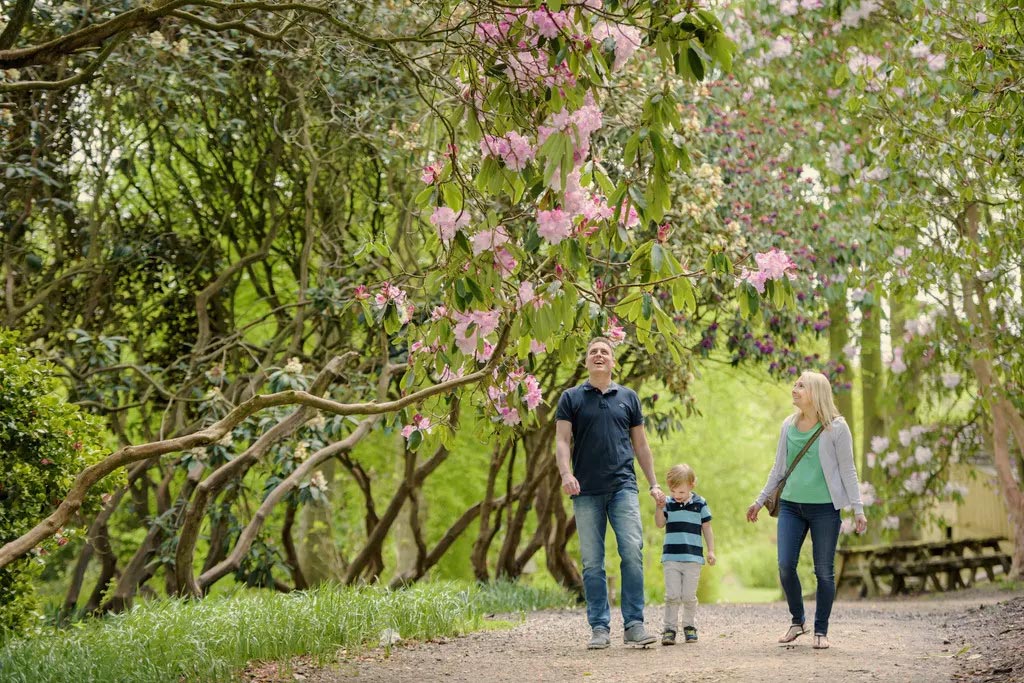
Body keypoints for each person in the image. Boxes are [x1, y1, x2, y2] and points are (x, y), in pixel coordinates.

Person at [556, 336, 665, 650]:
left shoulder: (628, 397)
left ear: (613, 361)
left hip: (623, 487)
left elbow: (641, 445)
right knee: (592, 562)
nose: (599, 355)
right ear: (587, 362)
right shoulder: (571, 397)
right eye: (593, 352)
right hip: (585, 490)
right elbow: (562, 441)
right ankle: (599, 628)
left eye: (604, 351)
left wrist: (653, 482)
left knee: (632, 552)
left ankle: (634, 624)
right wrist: (566, 473)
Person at [746, 371, 868, 650]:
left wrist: (858, 509)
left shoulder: (837, 428)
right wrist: (759, 500)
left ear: (817, 393)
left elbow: (848, 470)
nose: (795, 388)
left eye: (802, 385)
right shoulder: (787, 425)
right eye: (795, 384)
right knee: (785, 565)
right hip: (790, 506)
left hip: (825, 510)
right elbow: (778, 469)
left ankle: (821, 630)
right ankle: (798, 620)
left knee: (824, 572)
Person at [654, 463, 716, 646]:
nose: (677, 496)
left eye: (681, 492)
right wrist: (659, 507)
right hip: (671, 558)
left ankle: (689, 626)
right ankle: (669, 629)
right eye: (673, 491)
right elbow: (659, 524)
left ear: (691, 485)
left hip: (693, 559)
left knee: (689, 596)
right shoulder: (668, 503)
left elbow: (707, 528)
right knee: (672, 595)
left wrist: (711, 550)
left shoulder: (700, 504)